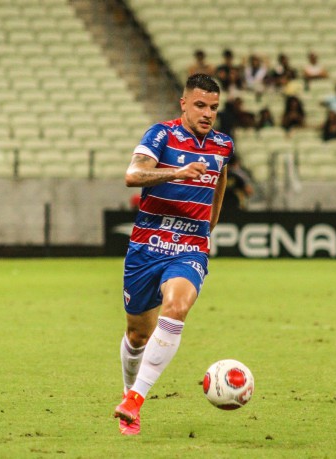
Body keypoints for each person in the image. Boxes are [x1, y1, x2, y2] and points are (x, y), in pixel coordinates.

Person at [112, 74, 233, 436]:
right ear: (183, 103)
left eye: (213, 107)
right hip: (146, 245)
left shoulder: (223, 145)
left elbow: (220, 178)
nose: (207, 113)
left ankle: (135, 402)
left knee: (177, 307)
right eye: (200, 105)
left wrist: (209, 225)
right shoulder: (161, 135)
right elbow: (132, 175)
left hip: (190, 247)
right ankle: (127, 390)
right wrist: (178, 172)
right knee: (137, 335)